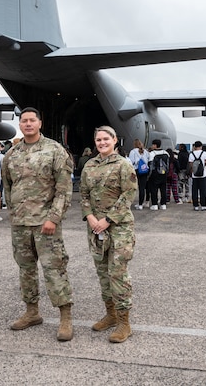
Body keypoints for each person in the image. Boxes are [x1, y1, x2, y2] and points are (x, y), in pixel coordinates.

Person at [2, 107, 75, 341]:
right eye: (24, 121)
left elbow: (64, 189)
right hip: (21, 223)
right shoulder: (11, 153)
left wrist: (53, 217)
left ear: (40, 123)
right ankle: (32, 312)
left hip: (46, 223)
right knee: (26, 270)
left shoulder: (55, 150)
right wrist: (14, 215)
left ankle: (65, 317)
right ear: (20, 124)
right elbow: (8, 187)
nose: (28, 124)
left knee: (55, 269)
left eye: (32, 120)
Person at [79, 126, 138, 343]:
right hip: (95, 228)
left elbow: (128, 194)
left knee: (117, 273)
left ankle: (124, 322)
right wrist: (91, 217)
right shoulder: (89, 165)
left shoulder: (123, 164)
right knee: (102, 273)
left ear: (114, 140)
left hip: (119, 228)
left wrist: (108, 219)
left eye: (106, 139)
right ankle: (111, 314)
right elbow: (83, 194)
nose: (102, 143)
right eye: (98, 140)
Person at [127, 139, 149, 210]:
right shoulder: (145, 151)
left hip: (136, 170)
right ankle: (140, 204)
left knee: (132, 187)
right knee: (142, 188)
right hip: (144, 170)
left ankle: (129, 203)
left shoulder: (133, 152)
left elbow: (131, 162)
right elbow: (147, 160)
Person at [146, 139, 169, 210]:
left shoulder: (152, 154)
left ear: (155, 145)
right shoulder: (165, 153)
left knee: (154, 190)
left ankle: (154, 204)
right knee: (163, 189)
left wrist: (148, 175)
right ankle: (163, 204)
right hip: (164, 174)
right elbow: (168, 164)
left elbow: (151, 166)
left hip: (155, 174)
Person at [188, 141, 206, 211]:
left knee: (194, 191)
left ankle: (196, 206)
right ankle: (203, 205)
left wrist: (194, 169)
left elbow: (190, 164)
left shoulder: (191, 154)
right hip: (203, 175)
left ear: (194, 146)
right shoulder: (204, 153)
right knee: (203, 191)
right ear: (201, 146)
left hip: (195, 176)